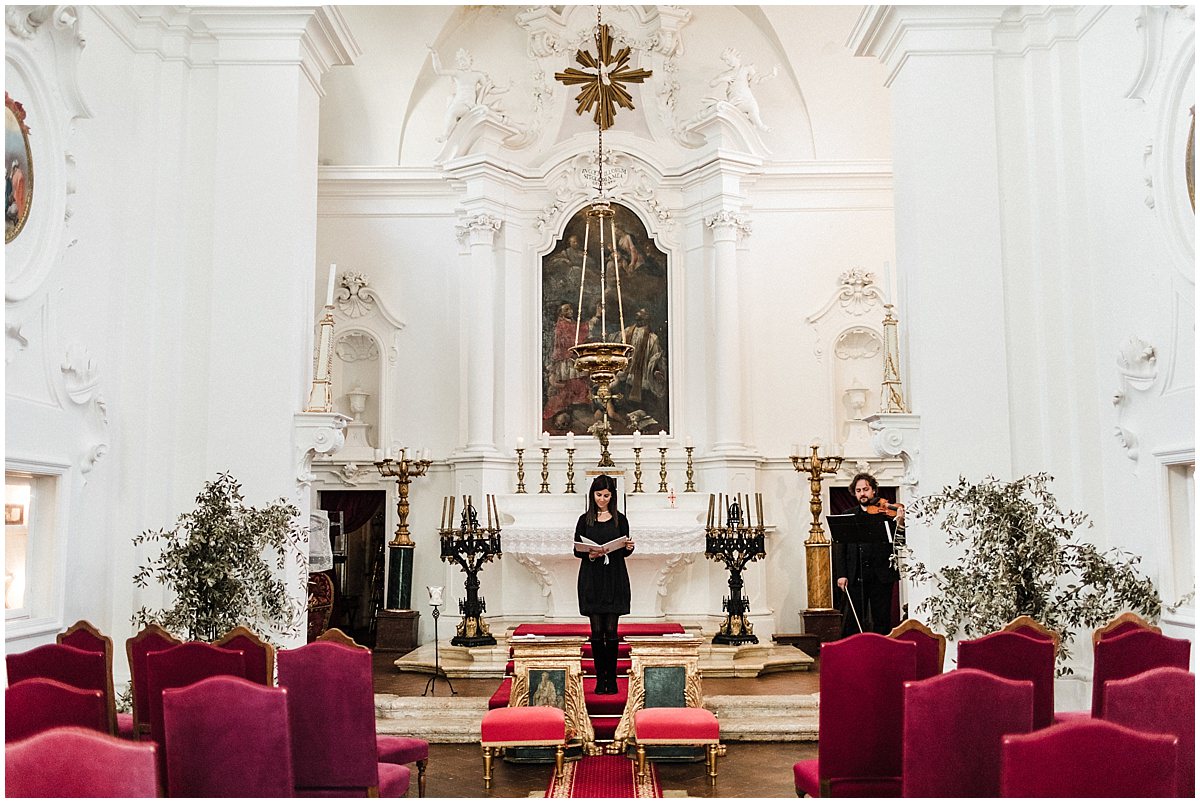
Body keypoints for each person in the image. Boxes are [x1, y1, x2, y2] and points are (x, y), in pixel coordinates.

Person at [574, 474, 635, 695]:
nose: (602, 499)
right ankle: (600, 679)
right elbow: (576, 549)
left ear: (613, 496)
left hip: (614, 578)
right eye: (598, 495)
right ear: (592, 495)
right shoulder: (585, 520)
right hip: (592, 578)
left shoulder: (620, 519)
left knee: (612, 631)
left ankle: (613, 679)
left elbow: (625, 550)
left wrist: (628, 547)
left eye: (606, 495)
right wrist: (591, 554)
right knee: (596, 631)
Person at [832, 472, 903, 637]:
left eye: (865, 489)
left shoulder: (886, 515)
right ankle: (854, 655)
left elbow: (899, 542)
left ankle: (882, 655)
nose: (862, 493)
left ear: (873, 491)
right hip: (856, 575)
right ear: (854, 493)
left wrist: (899, 523)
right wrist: (841, 575)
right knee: (853, 619)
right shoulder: (847, 515)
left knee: (882, 618)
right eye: (858, 490)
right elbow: (840, 549)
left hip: (882, 574)